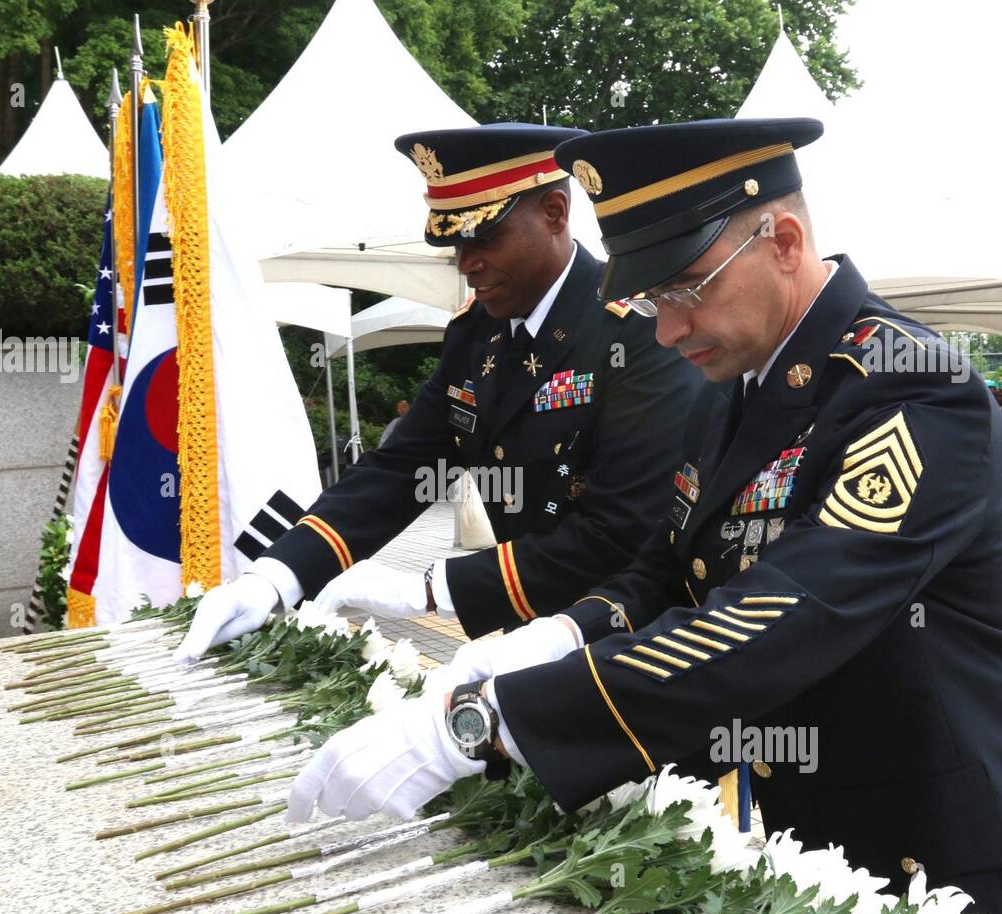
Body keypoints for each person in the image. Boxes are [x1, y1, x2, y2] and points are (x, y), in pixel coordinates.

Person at [287, 118, 1002, 914]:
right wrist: (555, 635)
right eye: (651, 300)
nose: (666, 330)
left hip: (946, 856)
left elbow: (785, 611)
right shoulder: (744, 386)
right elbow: (667, 569)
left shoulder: (912, 388)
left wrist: (489, 723)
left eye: (686, 289)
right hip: (814, 838)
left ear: (783, 240)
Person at [173, 124, 708, 661]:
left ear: (554, 213)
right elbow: (406, 464)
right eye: (455, 240)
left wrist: (430, 589)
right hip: (527, 633)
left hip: (637, 645)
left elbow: (622, 533)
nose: (465, 262)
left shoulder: (638, 333)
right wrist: (275, 576)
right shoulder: (478, 331)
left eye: (484, 236)